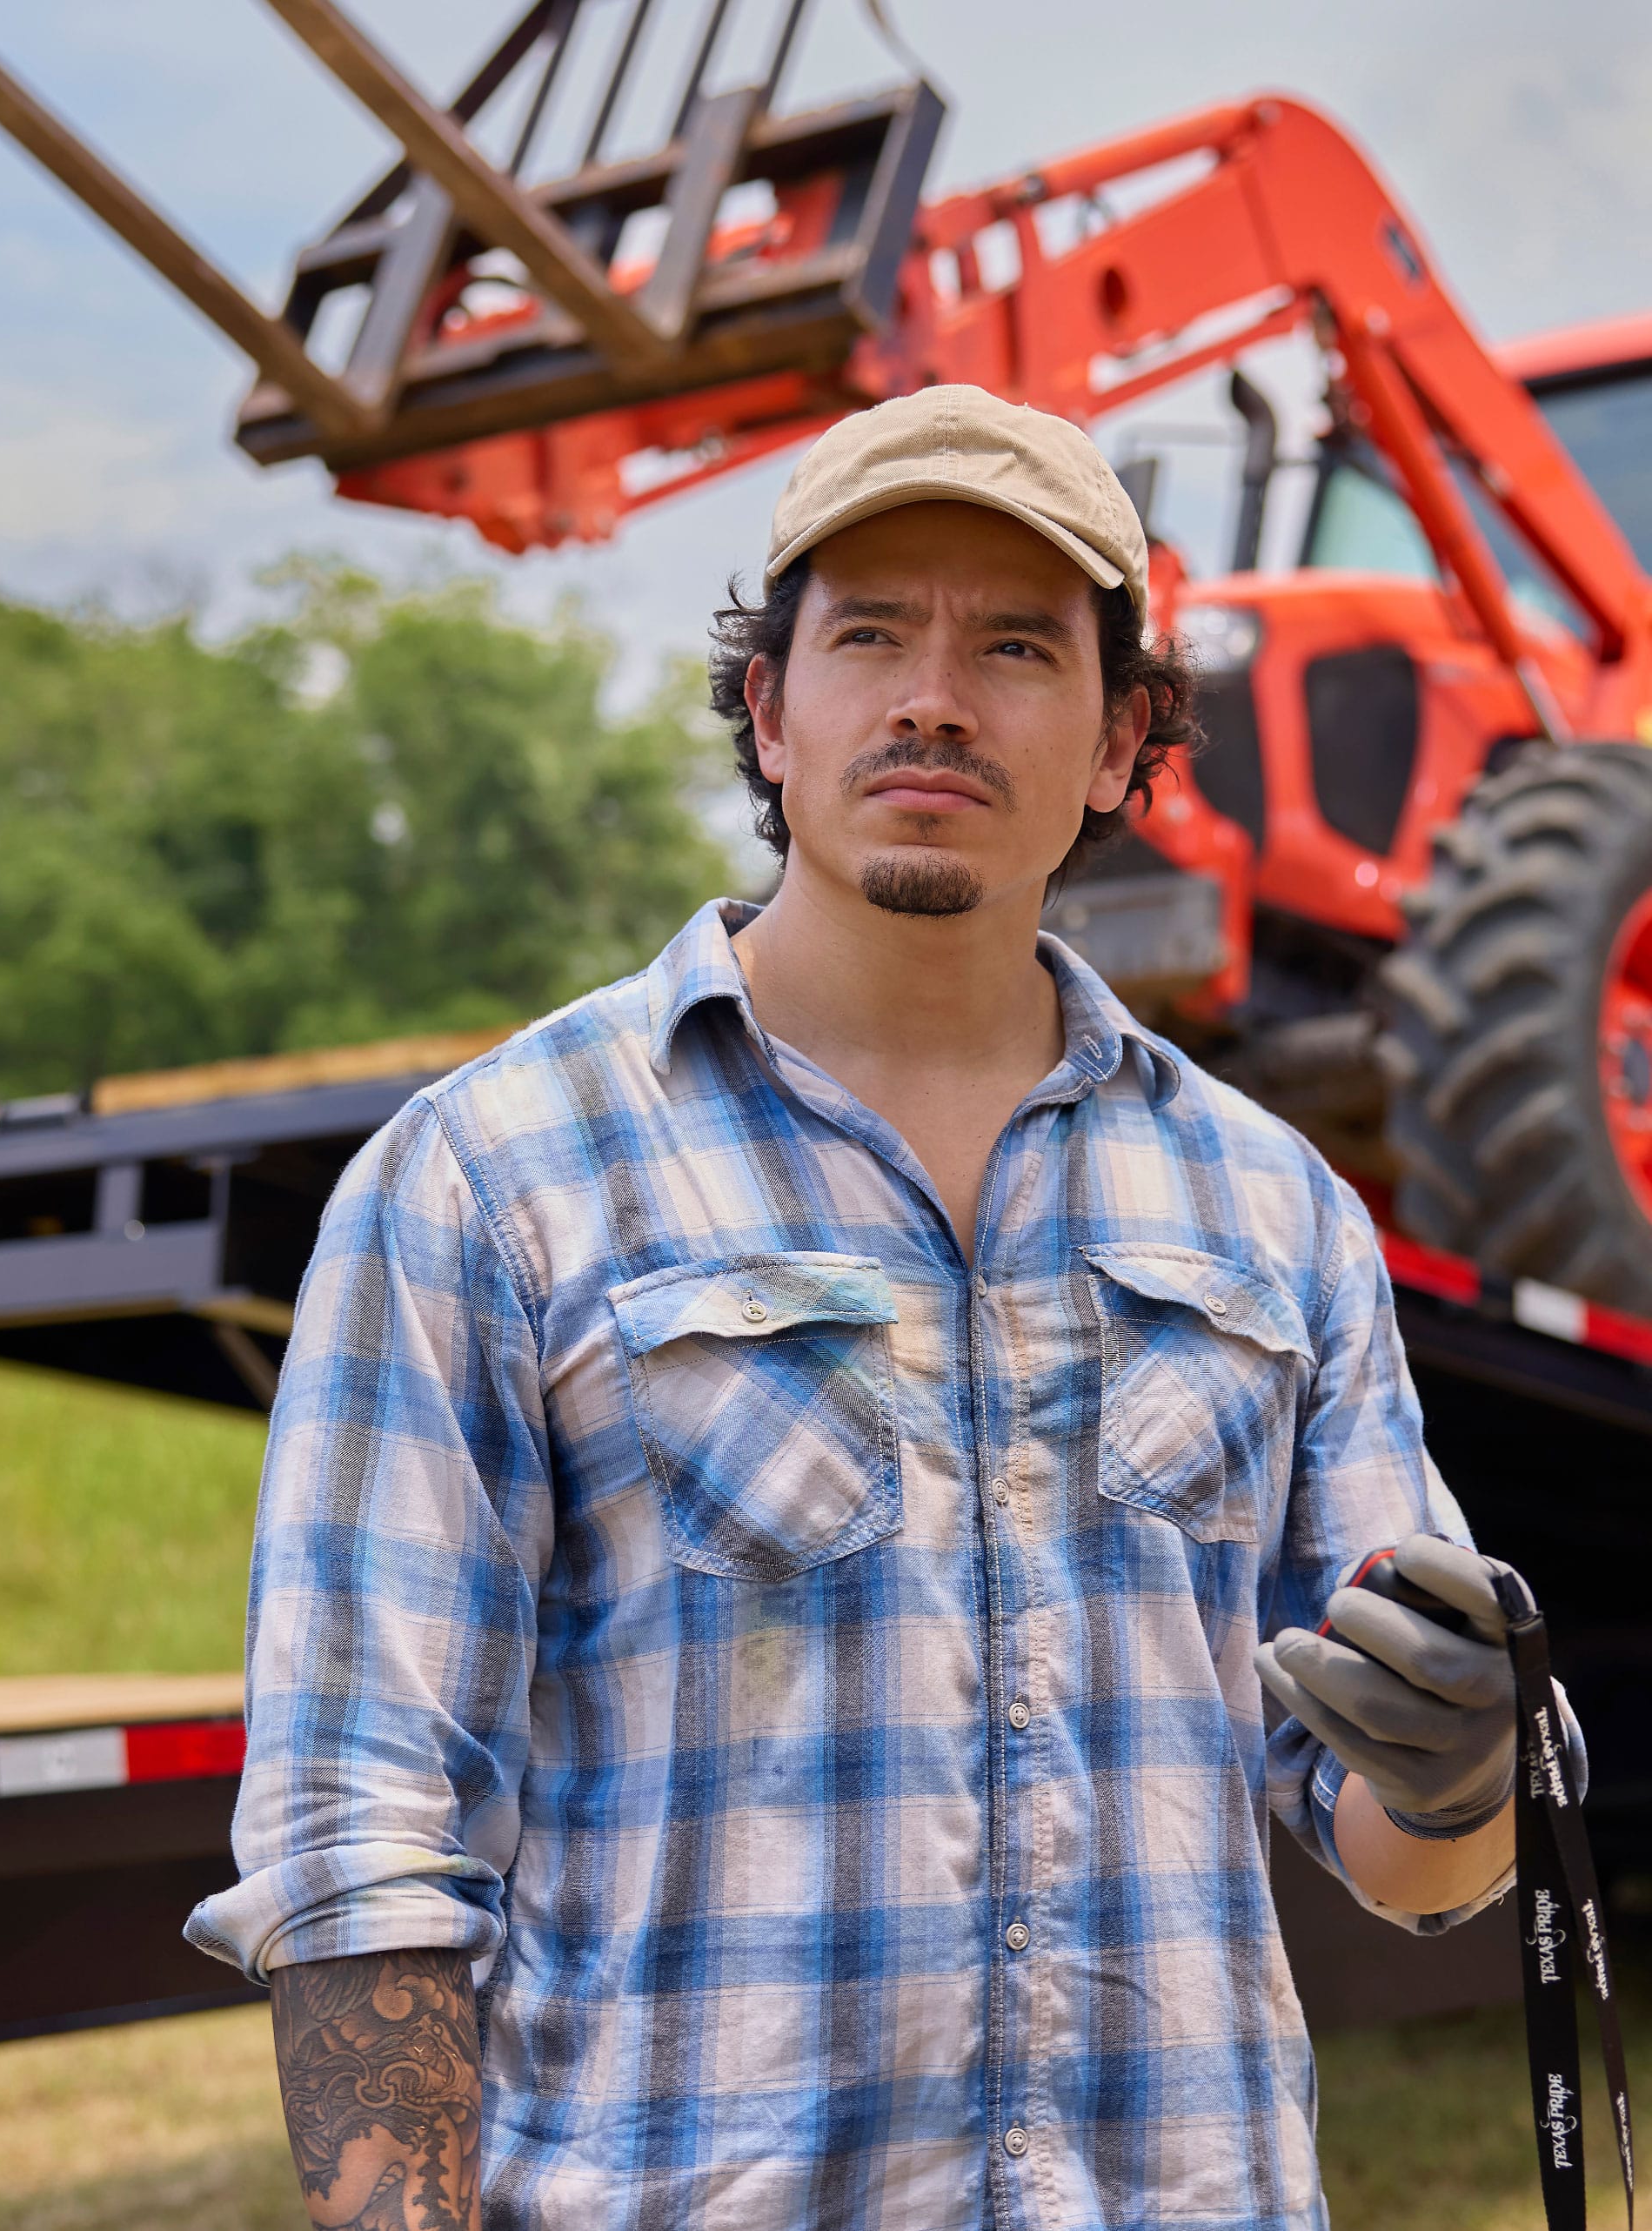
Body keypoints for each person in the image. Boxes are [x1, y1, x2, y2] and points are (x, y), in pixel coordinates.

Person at [188, 384, 1562, 2230]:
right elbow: (364, 1834)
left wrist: (1457, 1761)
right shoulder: (492, 1184)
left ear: (1121, 738)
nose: (936, 696)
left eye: (1015, 644)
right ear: (771, 708)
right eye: (867, 635)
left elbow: (1412, 1861)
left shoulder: (1274, 1212)